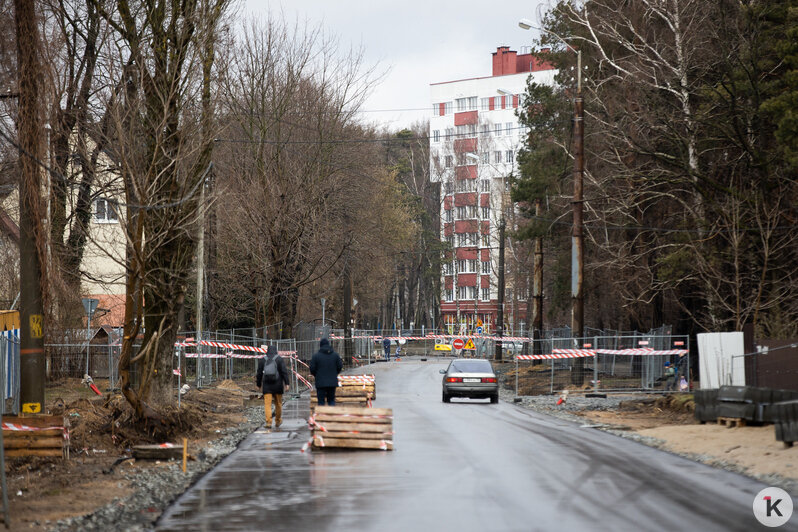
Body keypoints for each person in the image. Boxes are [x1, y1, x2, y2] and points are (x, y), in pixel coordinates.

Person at [256, 345, 290, 429]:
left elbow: (259, 373)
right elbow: (284, 372)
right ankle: (278, 420)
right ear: (276, 351)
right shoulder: (279, 359)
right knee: (278, 404)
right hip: (278, 386)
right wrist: (287, 383)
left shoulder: (263, 360)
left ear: (267, 351)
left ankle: (268, 422)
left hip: (267, 386)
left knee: (267, 404)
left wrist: (258, 384)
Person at [310, 338, 343, 406]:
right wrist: (334, 374)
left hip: (320, 382)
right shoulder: (335, 355)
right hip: (332, 382)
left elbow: (312, 369)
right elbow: (339, 366)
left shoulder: (316, 356)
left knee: (321, 401)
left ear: (320, 346)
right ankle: (331, 415)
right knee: (331, 400)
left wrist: (317, 375)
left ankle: (321, 415)